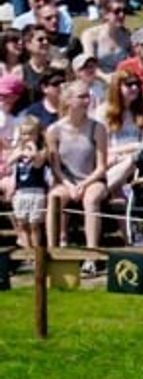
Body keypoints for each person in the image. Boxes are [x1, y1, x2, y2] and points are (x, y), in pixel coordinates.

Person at [46, 80, 110, 263]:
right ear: (68, 100)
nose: (86, 100)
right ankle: (52, 251)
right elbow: (56, 167)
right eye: (81, 96)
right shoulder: (54, 130)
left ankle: (92, 255)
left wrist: (83, 184)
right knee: (54, 198)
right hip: (66, 180)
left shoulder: (97, 128)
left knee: (90, 200)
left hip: (93, 179)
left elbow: (101, 167)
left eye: (87, 96)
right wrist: (69, 184)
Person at [8, 116, 48, 252]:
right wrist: (18, 153)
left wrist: (33, 150)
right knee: (22, 224)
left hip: (36, 193)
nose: (27, 137)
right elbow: (9, 163)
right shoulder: (18, 151)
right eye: (24, 134)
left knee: (34, 225)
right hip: (21, 192)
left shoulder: (42, 151)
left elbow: (38, 164)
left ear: (38, 135)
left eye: (31, 133)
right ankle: (27, 253)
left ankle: (37, 253)